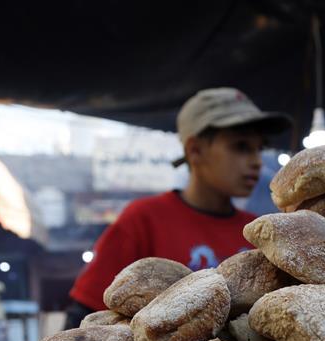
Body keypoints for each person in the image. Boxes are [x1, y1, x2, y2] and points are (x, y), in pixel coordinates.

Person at [66, 88, 291, 327]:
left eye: (260, 148)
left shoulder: (258, 231)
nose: (256, 161)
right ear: (194, 150)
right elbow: (81, 316)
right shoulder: (143, 220)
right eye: (241, 147)